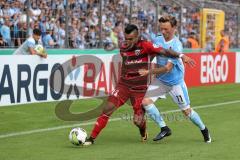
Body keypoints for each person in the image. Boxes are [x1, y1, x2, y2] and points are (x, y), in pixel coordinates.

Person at [83, 24, 195, 145]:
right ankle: (91, 139)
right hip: (124, 85)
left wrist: (181, 55)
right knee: (107, 109)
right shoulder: (123, 47)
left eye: (131, 39)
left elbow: (164, 51)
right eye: (126, 38)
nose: (127, 41)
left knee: (137, 121)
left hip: (140, 89)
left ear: (137, 37)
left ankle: (143, 131)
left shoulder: (146, 46)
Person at [138, 15, 211, 143]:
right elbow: (152, 54)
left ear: (174, 28)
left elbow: (167, 68)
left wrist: (148, 72)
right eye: (161, 29)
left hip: (175, 83)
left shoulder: (177, 45)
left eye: (166, 29)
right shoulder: (157, 39)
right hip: (160, 81)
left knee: (186, 111)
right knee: (145, 102)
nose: (163, 31)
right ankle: (164, 128)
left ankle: (204, 129)